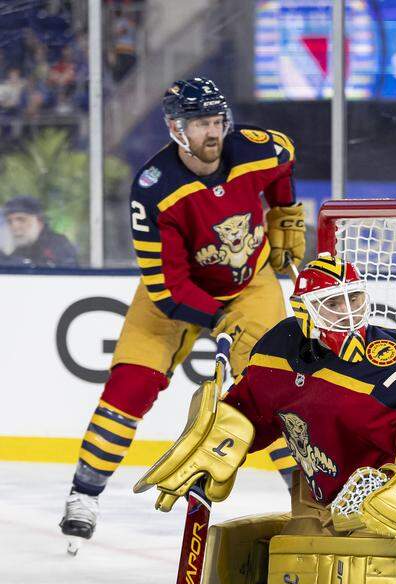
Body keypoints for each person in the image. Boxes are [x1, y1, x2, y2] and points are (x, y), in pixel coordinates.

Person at [133, 254, 396, 584]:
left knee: (361, 575)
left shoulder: (392, 357)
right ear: (305, 310)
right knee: (302, 572)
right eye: (334, 303)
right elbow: (250, 412)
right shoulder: (277, 350)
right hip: (324, 499)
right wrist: (219, 440)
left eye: (354, 298)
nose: (348, 311)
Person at [59, 77, 306, 552]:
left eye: (216, 121)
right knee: (130, 385)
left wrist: (285, 213)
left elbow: (284, 160)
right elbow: (169, 290)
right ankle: (83, 495)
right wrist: (218, 322)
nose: (212, 133)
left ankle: (309, 499)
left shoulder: (255, 149)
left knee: (275, 388)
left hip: (249, 284)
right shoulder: (154, 189)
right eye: (200, 124)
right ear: (176, 128)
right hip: (174, 296)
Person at [1, 195, 78, 267]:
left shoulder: (58, 245)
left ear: (39, 221)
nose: (14, 226)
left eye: (21, 220)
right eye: (9, 222)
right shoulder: (21, 249)